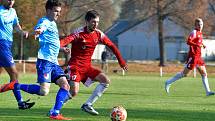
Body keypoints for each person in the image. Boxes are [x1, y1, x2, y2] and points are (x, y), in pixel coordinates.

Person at [0, 0, 72, 120]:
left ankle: (54, 113)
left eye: (59, 11)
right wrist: (38, 31)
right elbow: (41, 28)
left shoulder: (53, 23)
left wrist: (61, 48)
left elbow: (51, 42)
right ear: (48, 10)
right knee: (44, 91)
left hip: (53, 62)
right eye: (56, 11)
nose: (58, 14)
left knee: (65, 85)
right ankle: (15, 86)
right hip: (45, 62)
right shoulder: (45, 21)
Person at [56, 9, 128, 115]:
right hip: (75, 66)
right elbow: (66, 40)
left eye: (97, 22)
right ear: (87, 21)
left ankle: (88, 104)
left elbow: (112, 46)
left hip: (87, 68)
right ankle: (55, 110)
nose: (95, 24)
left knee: (105, 81)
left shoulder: (99, 34)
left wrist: (121, 61)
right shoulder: (79, 33)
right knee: (74, 92)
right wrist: (58, 45)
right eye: (93, 22)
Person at [165, 18, 214, 96]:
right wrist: (197, 45)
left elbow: (199, 41)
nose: (200, 26)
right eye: (198, 24)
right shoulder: (194, 32)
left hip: (198, 57)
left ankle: (208, 91)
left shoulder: (200, 33)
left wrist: (203, 45)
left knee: (204, 74)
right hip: (193, 56)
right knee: (184, 74)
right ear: (195, 25)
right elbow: (188, 41)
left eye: (201, 24)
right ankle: (168, 82)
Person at [0, 0, 35, 109]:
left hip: (8, 44)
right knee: (14, 74)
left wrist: (22, 32)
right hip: (1, 44)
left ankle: (20, 103)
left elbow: (16, 25)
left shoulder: (13, 11)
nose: (11, 1)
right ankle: (20, 102)